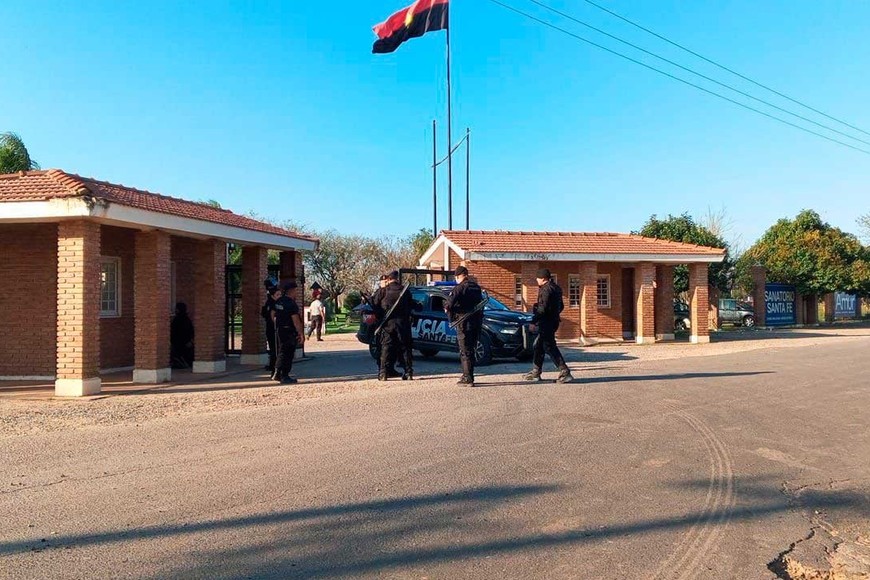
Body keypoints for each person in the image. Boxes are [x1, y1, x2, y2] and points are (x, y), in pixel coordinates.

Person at [524, 268, 574, 383]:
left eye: (538, 278)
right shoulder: (556, 288)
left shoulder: (545, 289)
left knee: (549, 346)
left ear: (543, 278)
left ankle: (565, 371)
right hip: (553, 321)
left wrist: (533, 321)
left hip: (546, 322)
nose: (536, 280)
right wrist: (554, 314)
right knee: (539, 346)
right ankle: (536, 372)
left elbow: (542, 308)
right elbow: (561, 306)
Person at [445, 266, 484, 386]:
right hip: (476, 323)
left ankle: (467, 378)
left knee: (465, 351)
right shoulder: (476, 287)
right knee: (471, 350)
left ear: (458, 276)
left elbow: (449, 306)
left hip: (463, 323)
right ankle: (469, 375)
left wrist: (450, 317)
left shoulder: (459, 288)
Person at [372, 270, 413, 381]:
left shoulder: (383, 291)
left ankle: (383, 373)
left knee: (386, 348)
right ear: (397, 279)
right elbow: (411, 305)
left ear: (389, 279)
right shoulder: (405, 291)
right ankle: (408, 372)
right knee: (405, 348)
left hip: (387, 325)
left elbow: (374, 305)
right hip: (402, 324)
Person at [270, 281, 305, 384]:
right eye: (295, 290)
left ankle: (277, 372)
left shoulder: (278, 301)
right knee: (288, 353)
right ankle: (284, 375)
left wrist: (277, 324)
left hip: (280, 330)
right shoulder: (291, 303)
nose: (296, 293)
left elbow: (273, 314)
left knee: (281, 351)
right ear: (291, 291)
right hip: (289, 330)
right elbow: (295, 320)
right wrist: (301, 333)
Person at [170, 302, 195, 369]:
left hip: (179, 343)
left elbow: (173, 331)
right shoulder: (186, 319)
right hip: (185, 342)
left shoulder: (177, 320)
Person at [261, 279, 278, 372]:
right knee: (274, 347)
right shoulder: (272, 302)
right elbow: (268, 314)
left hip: (270, 326)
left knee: (273, 347)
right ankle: (274, 365)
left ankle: (273, 364)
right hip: (273, 327)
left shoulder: (269, 301)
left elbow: (263, 313)